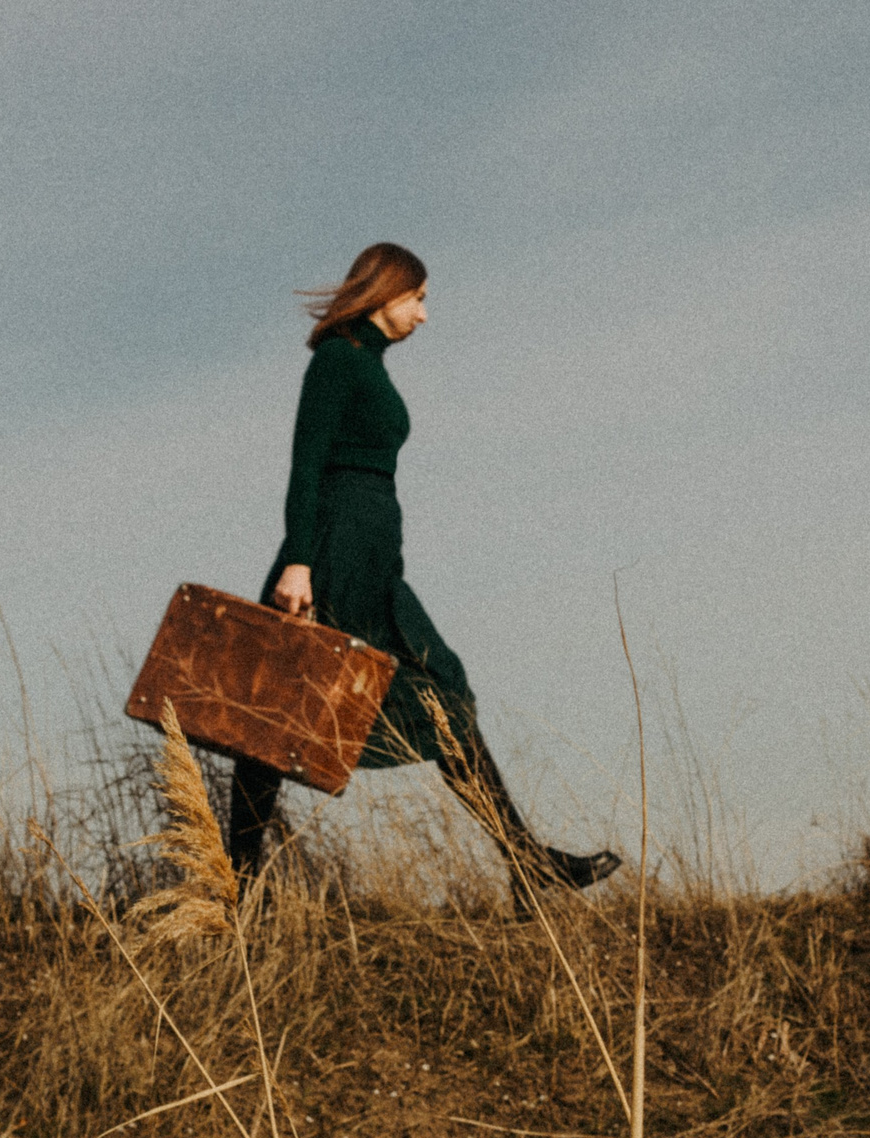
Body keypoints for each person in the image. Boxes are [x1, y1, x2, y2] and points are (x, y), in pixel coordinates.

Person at [227, 242, 621, 901]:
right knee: (280, 712)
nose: (424, 314)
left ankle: (524, 862)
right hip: (332, 552)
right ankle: (234, 884)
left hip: (373, 557)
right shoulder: (338, 360)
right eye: (418, 298)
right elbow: (306, 464)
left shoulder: (369, 365)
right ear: (385, 293)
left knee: (424, 693)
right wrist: (298, 561)